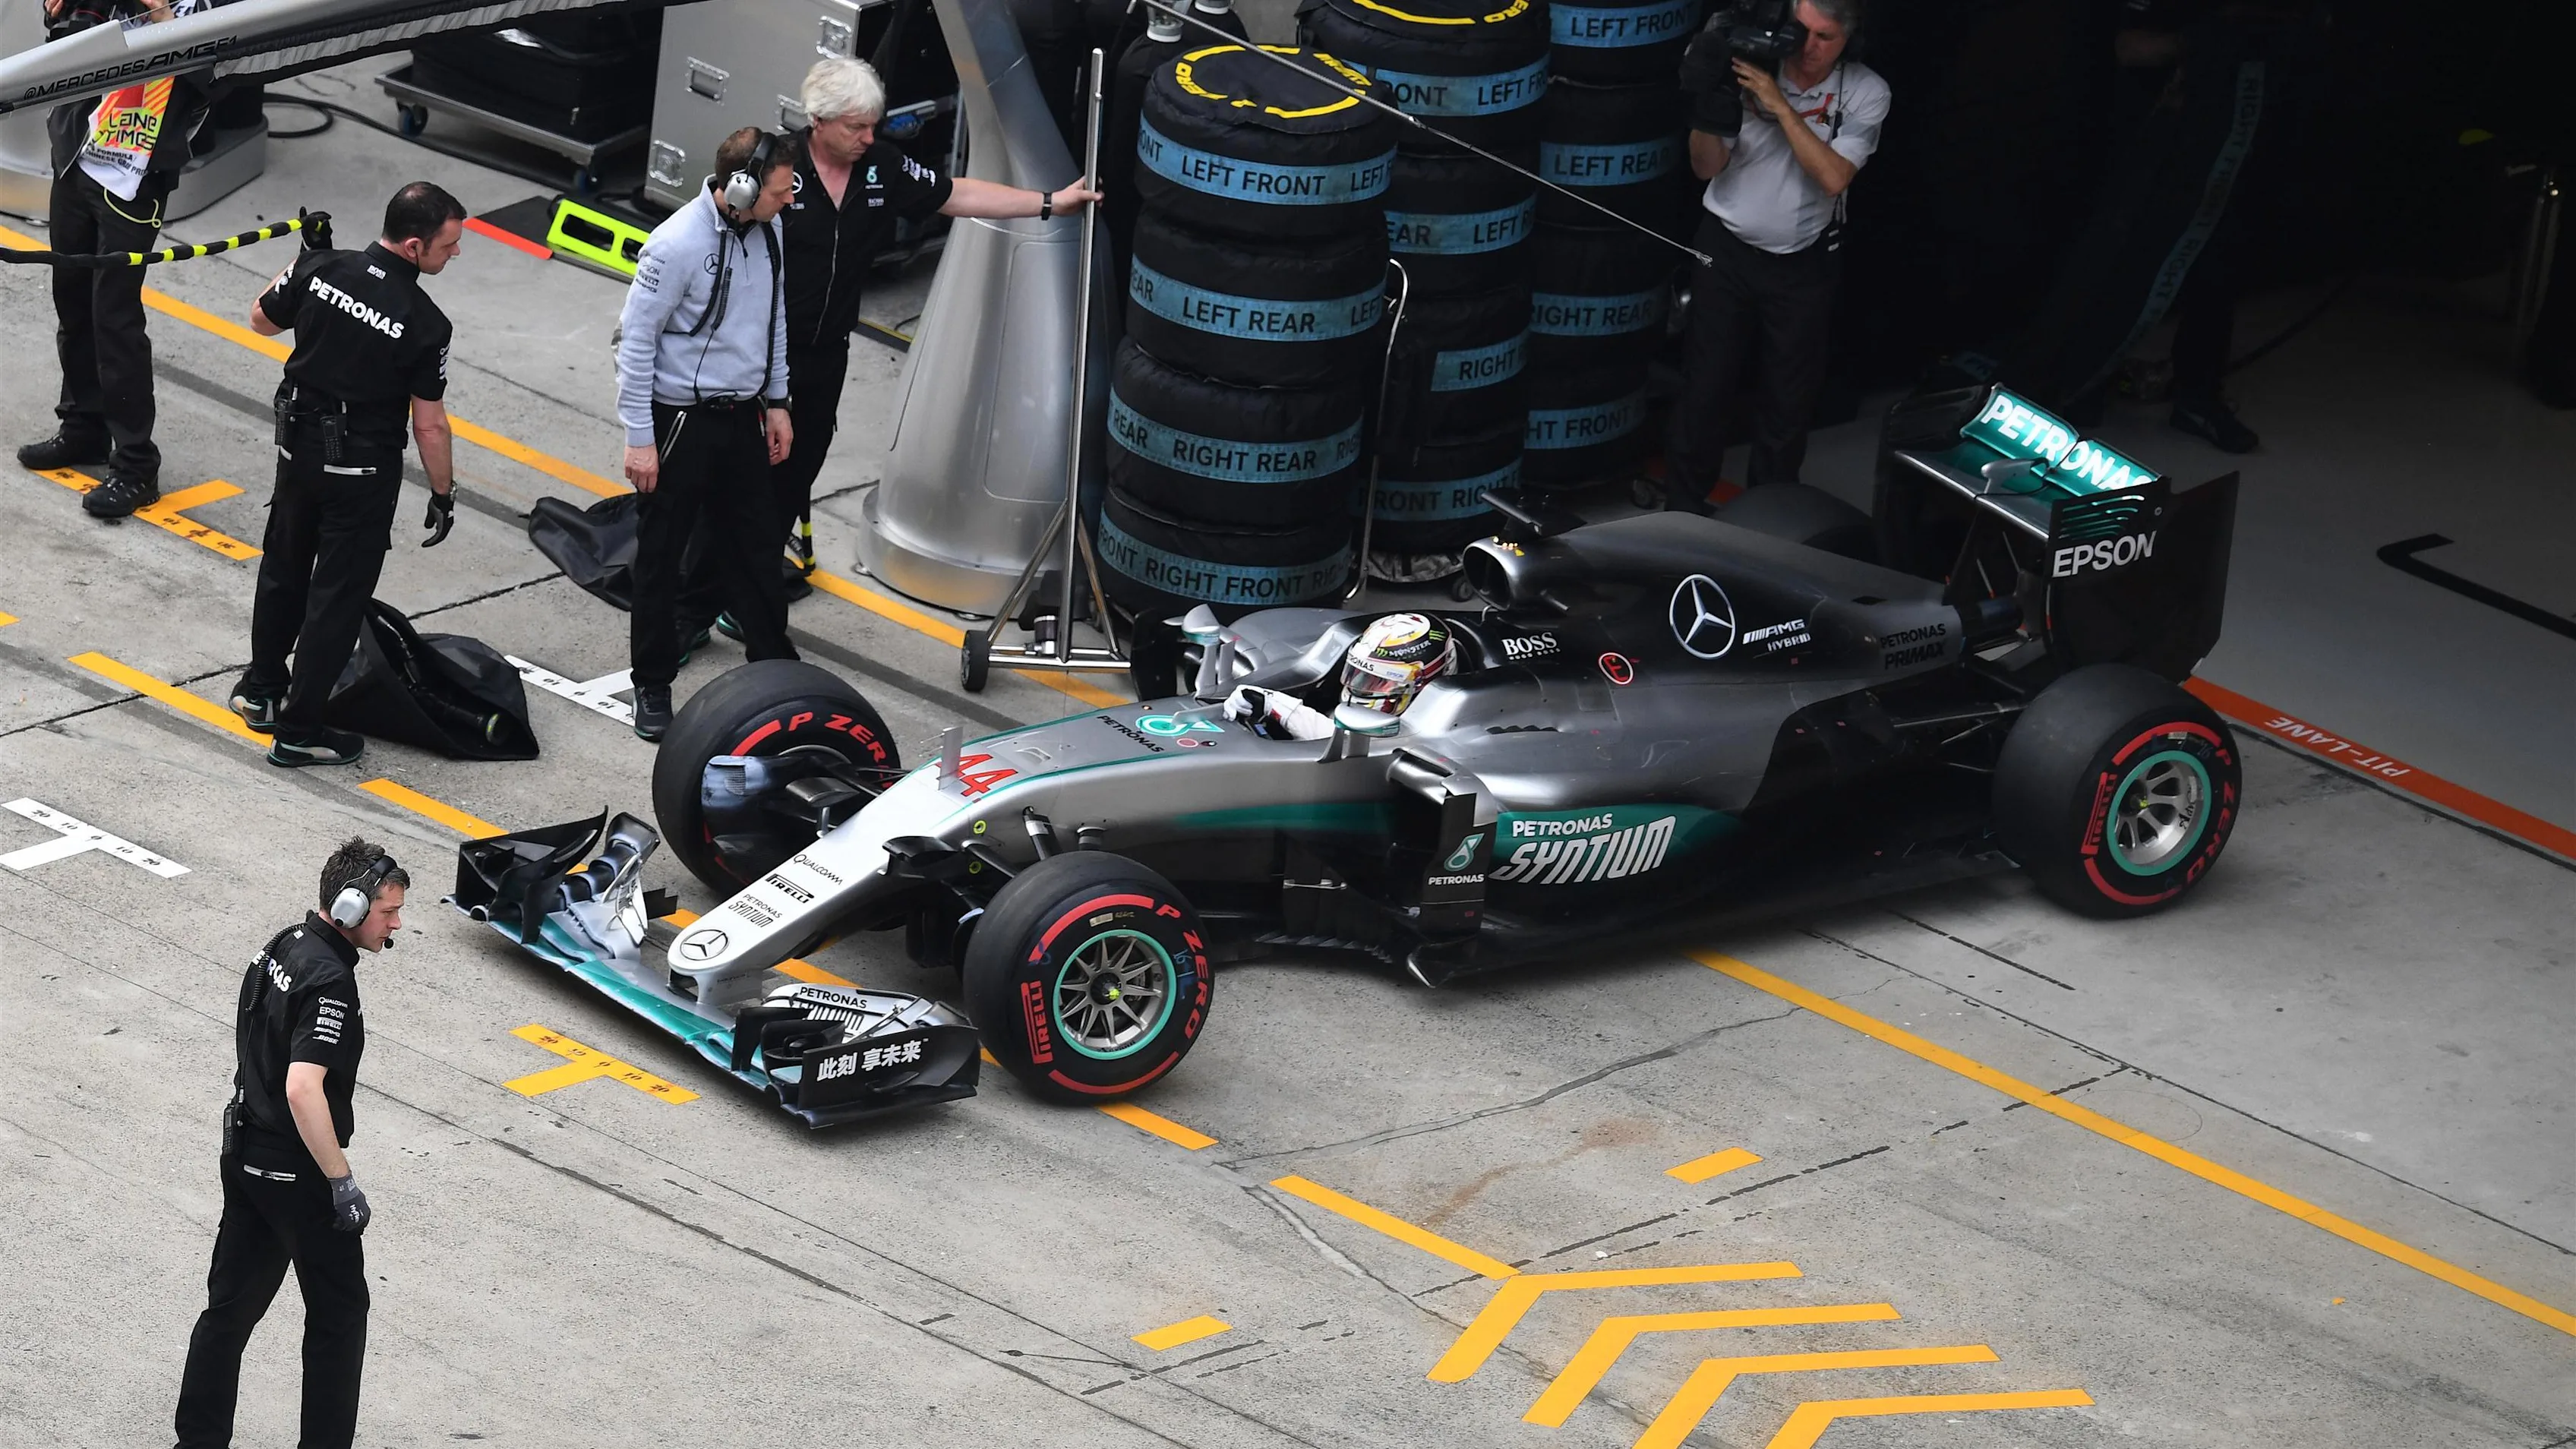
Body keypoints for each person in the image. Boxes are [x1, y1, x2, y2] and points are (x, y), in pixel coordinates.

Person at [699, 59, 1101, 642]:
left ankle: (745, 598)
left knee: (793, 478)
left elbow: (954, 193)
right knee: (734, 481)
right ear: (818, 122)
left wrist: (1046, 203)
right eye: (856, 128)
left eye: (874, 126)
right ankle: (696, 601)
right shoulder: (777, 169)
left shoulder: (881, 167)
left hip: (824, 358)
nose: (869, 138)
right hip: (756, 358)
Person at [173, 840, 406, 1449]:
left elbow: (253, 1030)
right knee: (339, 1317)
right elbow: (306, 1088)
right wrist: (340, 1181)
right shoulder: (331, 982)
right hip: (295, 1173)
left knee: (229, 1312)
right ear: (352, 909)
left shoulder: (283, 944)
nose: (396, 924)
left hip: (246, 1149)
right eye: (388, 912)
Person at [227, 183, 463, 769]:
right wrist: (442, 492)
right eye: (448, 245)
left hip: (297, 451)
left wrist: (302, 260)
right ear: (413, 246)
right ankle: (301, 730)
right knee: (336, 598)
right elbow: (429, 426)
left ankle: (260, 691)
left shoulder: (321, 266)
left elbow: (260, 319)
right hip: (360, 471)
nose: (454, 256)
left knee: (283, 567)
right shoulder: (426, 322)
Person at [619, 127, 807, 741]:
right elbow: (636, 343)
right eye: (780, 191)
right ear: (742, 186)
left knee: (758, 550)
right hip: (679, 424)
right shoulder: (674, 245)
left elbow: (774, 316)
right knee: (660, 560)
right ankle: (650, 684)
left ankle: (776, 672)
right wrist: (640, 438)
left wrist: (777, 401)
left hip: (744, 418)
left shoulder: (770, 227)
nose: (790, 201)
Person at [1665, 0, 1890, 509]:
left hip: (1805, 258)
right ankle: (1680, 511)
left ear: (1848, 41)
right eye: (1801, 31)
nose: (1807, 47)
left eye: (1824, 38)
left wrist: (1780, 105)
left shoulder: (1864, 90)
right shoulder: (1750, 63)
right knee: (1705, 391)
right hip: (1726, 248)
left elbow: (1834, 177)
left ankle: (1770, 518)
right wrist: (1710, 101)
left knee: (1787, 404)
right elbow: (1705, 167)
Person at [14, 0, 216, 519]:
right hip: (78, 154)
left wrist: (164, 21)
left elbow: (219, 73)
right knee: (73, 302)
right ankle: (83, 427)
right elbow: (65, 41)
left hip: (135, 172)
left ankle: (135, 465)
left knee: (115, 317)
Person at [1229, 613, 1457, 739]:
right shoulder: (1338, 710)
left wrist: (1277, 705)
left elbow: (1348, 741)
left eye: (1381, 682)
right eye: (1359, 675)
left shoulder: (1442, 734)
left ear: (1420, 682)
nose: (1358, 687)